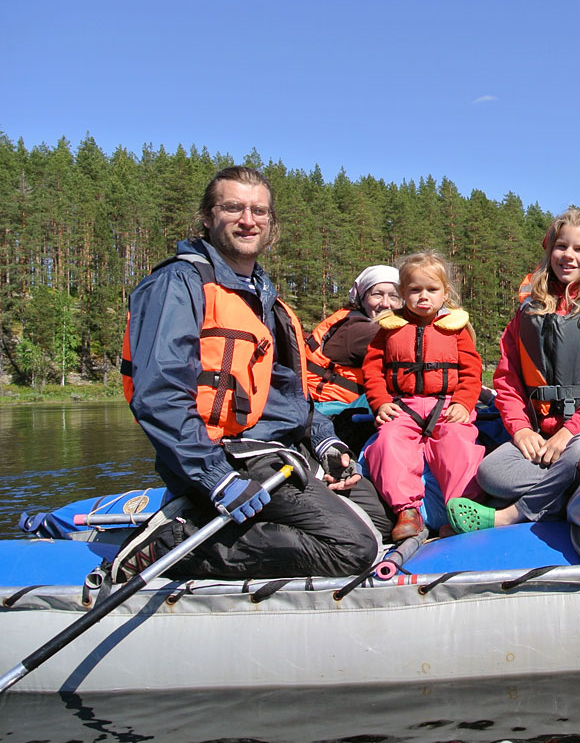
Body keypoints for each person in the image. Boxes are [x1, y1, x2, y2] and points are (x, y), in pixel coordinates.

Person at [119, 166, 390, 581]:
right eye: (233, 208)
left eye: (259, 211)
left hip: (275, 451)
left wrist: (326, 441)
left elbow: (287, 397)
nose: (248, 220)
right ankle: (169, 545)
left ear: (270, 224)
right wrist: (214, 476)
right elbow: (158, 395)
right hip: (222, 455)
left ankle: (224, 523)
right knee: (354, 547)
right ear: (208, 218)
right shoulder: (178, 283)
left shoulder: (265, 298)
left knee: (383, 519)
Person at [446, 207, 580, 533]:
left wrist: (571, 431)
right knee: (492, 473)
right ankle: (573, 495)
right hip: (542, 435)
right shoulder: (528, 311)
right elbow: (507, 378)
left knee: (577, 455)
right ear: (550, 250)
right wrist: (521, 429)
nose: (568, 256)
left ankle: (512, 515)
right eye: (561, 246)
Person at [361, 251, 484, 541]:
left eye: (432, 290)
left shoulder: (456, 329)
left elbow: (471, 371)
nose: (423, 297)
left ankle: (459, 512)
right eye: (415, 290)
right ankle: (408, 510)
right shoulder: (389, 329)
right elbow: (372, 370)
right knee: (388, 442)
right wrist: (380, 403)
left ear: (445, 293)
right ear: (403, 293)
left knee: (459, 444)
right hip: (404, 406)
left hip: (448, 405)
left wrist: (464, 404)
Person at [305, 264, 401, 453]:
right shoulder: (358, 329)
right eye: (377, 295)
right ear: (362, 298)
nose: (386, 303)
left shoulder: (358, 320)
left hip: (343, 405)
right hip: (328, 411)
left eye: (394, 296)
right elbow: (409, 352)